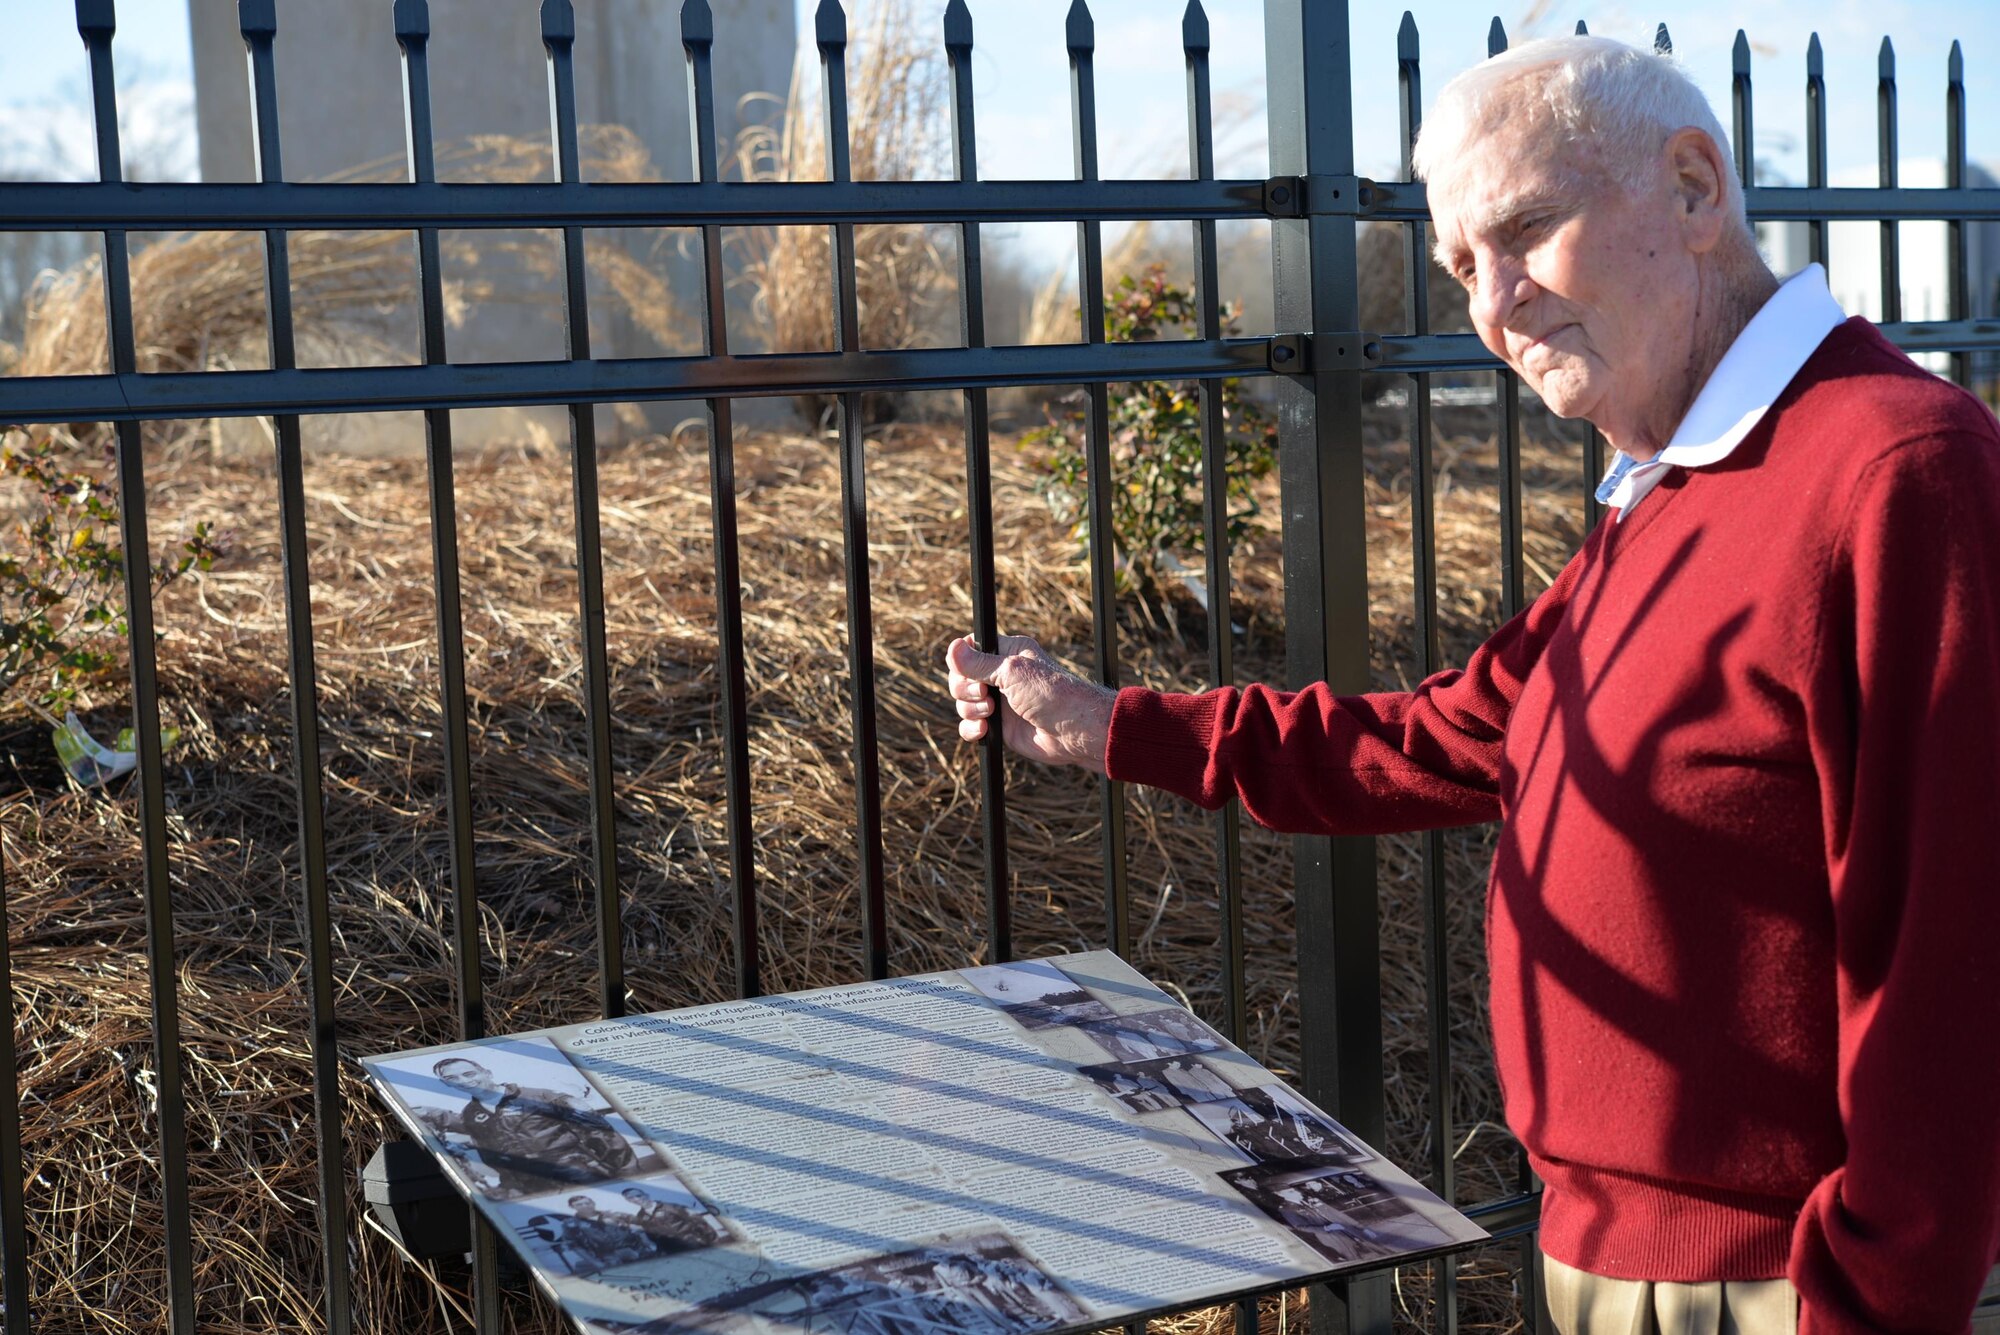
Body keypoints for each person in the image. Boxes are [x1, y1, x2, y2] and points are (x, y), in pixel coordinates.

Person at [942, 32, 2000, 1335]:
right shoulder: (1669, 485)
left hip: (1778, 1283)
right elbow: (1450, 733)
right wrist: (1117, 725)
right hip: (1607, 1256)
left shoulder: (1896, 466)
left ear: (1692, 188)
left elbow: (1950, 961)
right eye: (1462, 265)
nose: (1496, 301)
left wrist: (1869, 1300)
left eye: (1529, 229)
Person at [416, 1055, 638, 1198]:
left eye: (469, 1074)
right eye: (452, 1079)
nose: (463, 1081)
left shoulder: (544, 1097)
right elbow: (491, 1152)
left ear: (486, 1072)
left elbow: (601, 1133)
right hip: (532, 1187)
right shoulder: (471, 1114)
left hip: (578, 1174)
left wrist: (629, 1174)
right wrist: (511, 1185)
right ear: (446, 1084)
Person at [617, 1184, 718, 1255]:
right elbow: (652, 1235)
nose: (636, 1199)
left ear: (645, 1194)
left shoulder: (670, 1206)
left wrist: (711, 1237)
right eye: (630, 1198)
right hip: (673, 1248)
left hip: (692, 1242)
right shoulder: (641, 1216)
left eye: (637, 1196)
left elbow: (696, 1220)